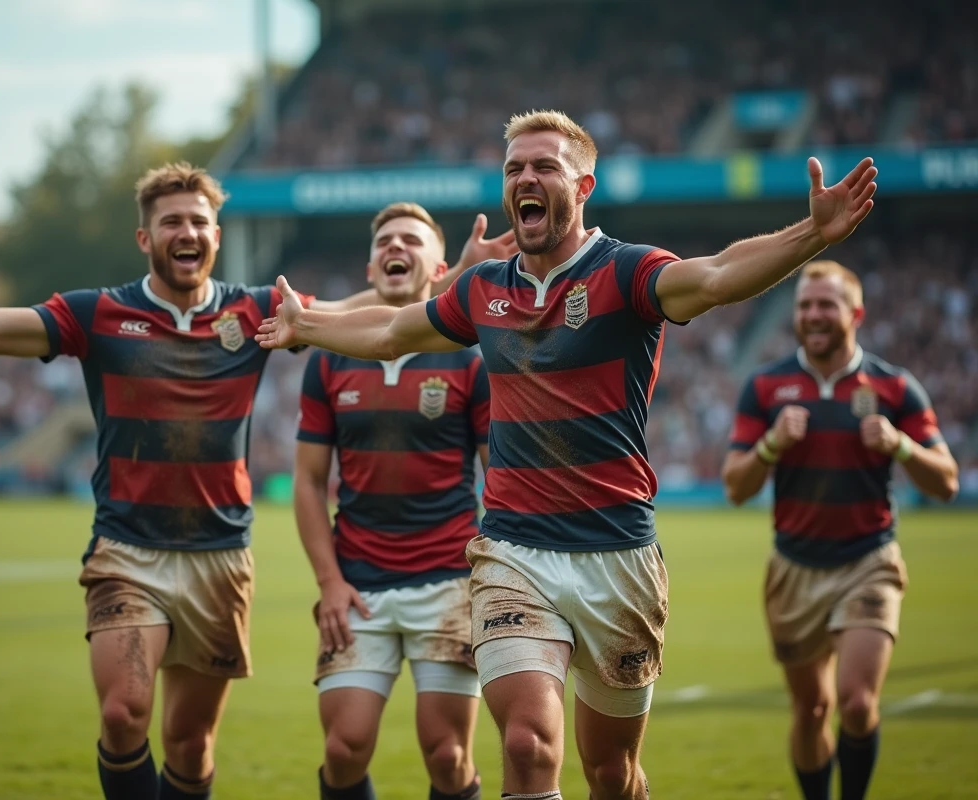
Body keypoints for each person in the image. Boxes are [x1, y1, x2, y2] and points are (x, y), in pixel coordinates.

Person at [0, 162, 514, 800]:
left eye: (199, 220)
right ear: (146, 238)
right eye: (171, 222)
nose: (187, 231)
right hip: (128, 548)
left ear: (216, 236)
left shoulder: (253, 313)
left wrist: (455, 276)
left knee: (191, 748)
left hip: (221, 559)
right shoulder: (99, 314)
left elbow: (373, 310)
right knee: (123, 712)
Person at [254, 110, 880, 800]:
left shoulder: (627, 272)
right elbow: (395, 328)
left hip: (617, 555)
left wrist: (812, 234)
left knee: (612, 773)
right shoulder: (483, 288)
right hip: (514, 552)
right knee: (526, 745)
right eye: (514, 168)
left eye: (544, 166)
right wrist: (307, 324)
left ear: (582, 185)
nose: (526, 177)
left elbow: (716, 277)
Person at [721, 260, 958, 800]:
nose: (813, 315)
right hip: (794, 567)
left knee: (854, 700)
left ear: (856, 313)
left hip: (867, 561)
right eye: (805, 305)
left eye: (826, 304)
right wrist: (771, 445)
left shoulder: (896, 387)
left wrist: (900, 445)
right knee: (812, 709)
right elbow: (735, 486)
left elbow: (946, 482)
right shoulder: (766, 386)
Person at [295, 202, 492, 800]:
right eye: (384, 240)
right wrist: (329, 582)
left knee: (448, 755)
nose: (395, 247)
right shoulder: (330, 357)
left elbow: (499, 474)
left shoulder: (469, 358)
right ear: (370, 266)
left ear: (439, 266)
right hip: (359, 585)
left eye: (410, 239)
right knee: (343, 748)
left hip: (448, 581)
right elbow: (306, 482)